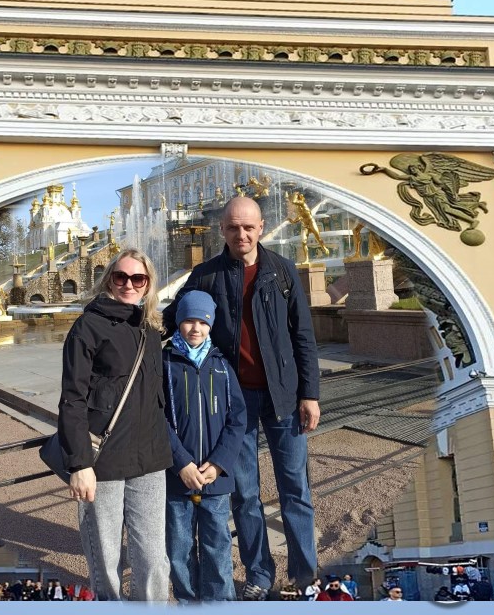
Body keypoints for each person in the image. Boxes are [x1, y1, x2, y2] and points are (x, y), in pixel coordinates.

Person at [165, 196, 321, 600]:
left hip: (284, 396)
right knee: (245, 494)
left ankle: (304, 574)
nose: (241, 234)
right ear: (222, 229)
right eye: (233, 227)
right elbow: (170, 319)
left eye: (249, 227)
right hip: (234, 403)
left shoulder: (281, 271)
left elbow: (303, 335)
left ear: (261, 227)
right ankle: (260, 574)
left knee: (295, 490)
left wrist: (310, 393)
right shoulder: (206, 274)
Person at [59, 249, 173, 601]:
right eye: (121, 277)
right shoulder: (88, 327)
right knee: (106, 559)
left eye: (138, 278)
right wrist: (80, 464)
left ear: (148, 284)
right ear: (109, 278)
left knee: (154, 559)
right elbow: (72, 399)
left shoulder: (150, 326)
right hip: (103, 461)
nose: (128, 284)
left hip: (150, 458)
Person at [162, 290, 247, 602]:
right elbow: (156, 417)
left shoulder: (222, 365)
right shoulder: (165, 362)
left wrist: (220, 462)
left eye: (202, 321)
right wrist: (181, 462)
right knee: (179, 547)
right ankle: (188, 601)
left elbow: (237, 418)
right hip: (177, 476)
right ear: (179, 322)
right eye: (188, 321)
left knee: (217, 544)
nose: (195, 328)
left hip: (215, 477)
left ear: (211, 324)